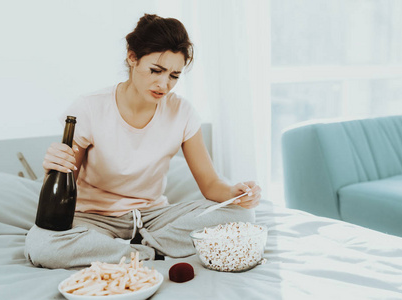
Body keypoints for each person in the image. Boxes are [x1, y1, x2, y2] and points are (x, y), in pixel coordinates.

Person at [24, 13, 261, 269]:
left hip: (154, 217)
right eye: (156, 71)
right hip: (94, 218)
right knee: (41, 245)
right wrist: (54, 166)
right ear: (132, 57)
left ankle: (136, 250)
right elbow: (66, 176)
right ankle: (149, 254)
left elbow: (211, 184)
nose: (163, 84)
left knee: (243, 215)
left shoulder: (182, 112)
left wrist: (234, 194)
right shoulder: (90, 108)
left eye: (174, 75)